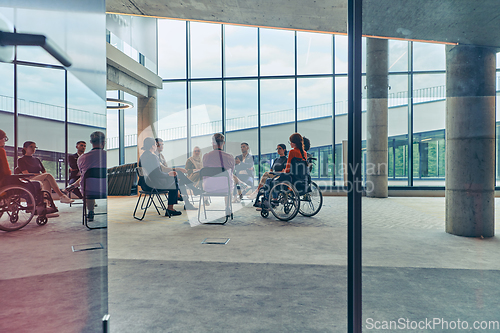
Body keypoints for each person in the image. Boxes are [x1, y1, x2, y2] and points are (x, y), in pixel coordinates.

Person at [254, 133, 307, 208]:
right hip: (300, 179)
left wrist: (282, 174)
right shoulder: (304, 153)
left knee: (269, 181)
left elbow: (288, 169)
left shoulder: (292, 152)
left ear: (293, 143)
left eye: (290, 142)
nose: (290, 144)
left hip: (290, 179)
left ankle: (270, 201)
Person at [155, 137, 197, 209]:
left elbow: (167, 168)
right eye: (159, 144)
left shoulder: (161, 156)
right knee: (179, 174)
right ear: (155, 145)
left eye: (162, 144)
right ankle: (192, 189)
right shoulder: (154, 156)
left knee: (181, 180)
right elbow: (164, 169)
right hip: (161, 179)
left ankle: (187, 202)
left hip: (166, 177)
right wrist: (177, 169)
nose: (161, 146)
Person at [202, 133, 235, 215]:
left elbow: (205, 171)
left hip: (208, 187)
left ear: (213, 143)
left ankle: (205, 199)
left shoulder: (206, 156)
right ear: (223, 143)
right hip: (225, 188)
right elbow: (232, 172)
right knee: (230, 181)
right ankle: (228, 207)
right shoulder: (230, 157)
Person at [77, 131, 107, 221]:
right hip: (107, 190)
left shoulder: (82, 158)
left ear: (91, 142)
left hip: (89, 191)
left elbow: (82, 174)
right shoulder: (108, 155)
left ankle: (90, 211)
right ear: (103, 142)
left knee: (89, 185)